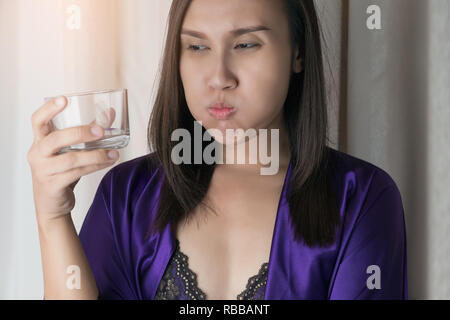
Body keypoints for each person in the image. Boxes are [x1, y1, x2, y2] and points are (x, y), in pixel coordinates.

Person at [27, 0, 408, 300]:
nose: (219, 77)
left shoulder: (362, 197)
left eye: (245, 44)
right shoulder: (126, 194)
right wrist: (52, 216)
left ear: (298, 52)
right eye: (197, 46)